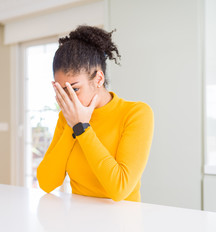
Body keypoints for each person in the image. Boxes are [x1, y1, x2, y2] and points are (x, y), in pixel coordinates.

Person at [37, 25, 154, 202]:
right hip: (79, 221)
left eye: (74, 89)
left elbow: (119, 189)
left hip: (122, 223)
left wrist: (81, 128)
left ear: (98, 79)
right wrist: (72, 126)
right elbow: (46, 182)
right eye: (61, 90)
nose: (67, 100)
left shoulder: (135, 113)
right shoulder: (67, 117)